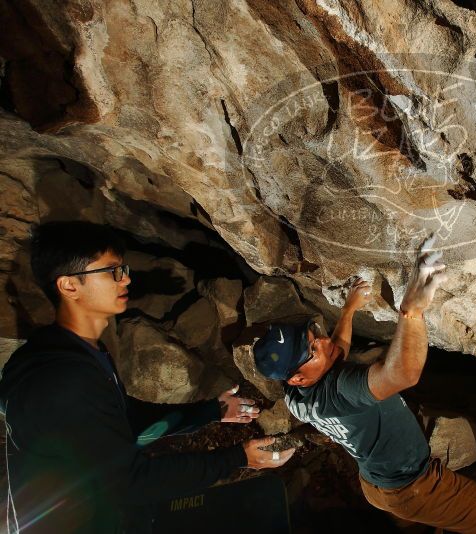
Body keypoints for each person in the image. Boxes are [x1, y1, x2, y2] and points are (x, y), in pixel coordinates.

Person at [0, 221, 295, 534]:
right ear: (69, 286)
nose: (126, 278)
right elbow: (131, 482)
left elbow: (125, 417)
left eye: (123, 268)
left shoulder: (79, 354)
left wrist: (214, 411)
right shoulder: (61, 380)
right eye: (112, 271)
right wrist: (239, 457)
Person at [254, 238, 476, 533]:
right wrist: (411, 312)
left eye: (313, 336)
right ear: (297, 376)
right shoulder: (340, 390)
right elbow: (402, 375)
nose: (322, 341)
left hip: (375, 487)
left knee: (419, 523)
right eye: (311, 350)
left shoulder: (296, 397)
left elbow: (335, 351)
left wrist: (348, 310)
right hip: (414, 486)